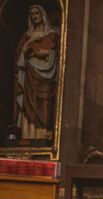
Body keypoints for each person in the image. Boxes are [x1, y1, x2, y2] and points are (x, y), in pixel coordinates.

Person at [12, 4, 59, 142]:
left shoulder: (52, 34)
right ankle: (28, 135)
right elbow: (21, 55)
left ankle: (43, 133)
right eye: (32, 14)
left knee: (44, 106)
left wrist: (41, 51)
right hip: (30, 75)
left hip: (46, 76)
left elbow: (51, 51)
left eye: (37, 13)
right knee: (28, 106)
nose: (34, 16)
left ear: (42, 15)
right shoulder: (26, 35)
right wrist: (31, 44)